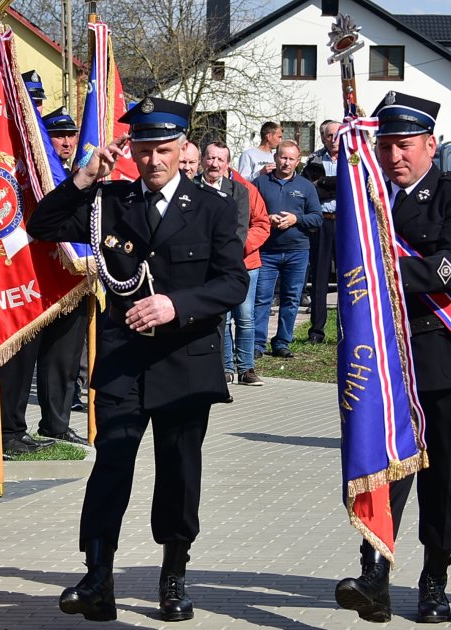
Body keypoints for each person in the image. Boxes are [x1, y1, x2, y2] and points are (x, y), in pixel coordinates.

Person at [29, 97, 247, 622]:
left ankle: (173, 576)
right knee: (111, 464)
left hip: (185, 358)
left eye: (164, 150)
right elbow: (43, 224)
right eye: (145, 150)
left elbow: (233, 283)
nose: (153, 161)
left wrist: (177, 305)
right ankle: (97, 576)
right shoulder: (110, 201)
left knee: (178, 470)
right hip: (124, 359)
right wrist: (84, 178)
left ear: (183, 149)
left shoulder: (214, 207)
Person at [333, 92, 451, 624]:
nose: (394, 156)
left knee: (444, 477)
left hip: (446, 357)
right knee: (382, 469)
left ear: (430, 144)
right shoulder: (369, 200)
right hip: (387, 362)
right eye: (385, 146)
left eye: (404, 145)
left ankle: (435, 579)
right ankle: (374, 575)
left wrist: (382, 272)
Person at [34, 107, 90, 445]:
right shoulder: (37, 174)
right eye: (58, 136)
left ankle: (57, 423)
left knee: (65, 358)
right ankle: (13, 428)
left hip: (73, 278)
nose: (67, 142)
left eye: (71, 135)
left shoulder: (76, 173)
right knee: (37, 357)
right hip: (38, 279)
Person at [195, 141, 268, 386]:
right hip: (204, 266)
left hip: (237, 263)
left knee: (245, 318)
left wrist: (224, 256)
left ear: (228, 164)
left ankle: (246, 368)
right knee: (221, 319)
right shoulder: (191, 187)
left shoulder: (240, 190)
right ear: (203, 160)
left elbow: (241, 228)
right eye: (210, 158)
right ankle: (224, 368)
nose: (214, 164)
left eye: (220, 159)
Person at [252, 140, 322, 359]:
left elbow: (317, 218)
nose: (286, 162)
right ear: (275, 157)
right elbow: (248, 213)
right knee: (262, 299)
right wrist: (267, 218)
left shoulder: (306, 186)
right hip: (266, 251)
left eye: (291, 159)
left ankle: (282, 342)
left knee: (291, 299)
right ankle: (257, 344)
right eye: (283, 157)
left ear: (298, 161)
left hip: (297, 251)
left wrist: (296, 219)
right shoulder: (260, 183)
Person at [301, 120, 340, 343]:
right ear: (323, 137)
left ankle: (347, 329)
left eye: (337, 135)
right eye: (329, 135)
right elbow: (309, 190)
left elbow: (352, 185)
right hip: (322, 222)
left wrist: (323, 182)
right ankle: (316, 331)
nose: (333, 140)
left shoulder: (354, 158)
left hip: (345, 223)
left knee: (349, 276)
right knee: (319, 277)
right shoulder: (314, 160)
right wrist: (333, 186)